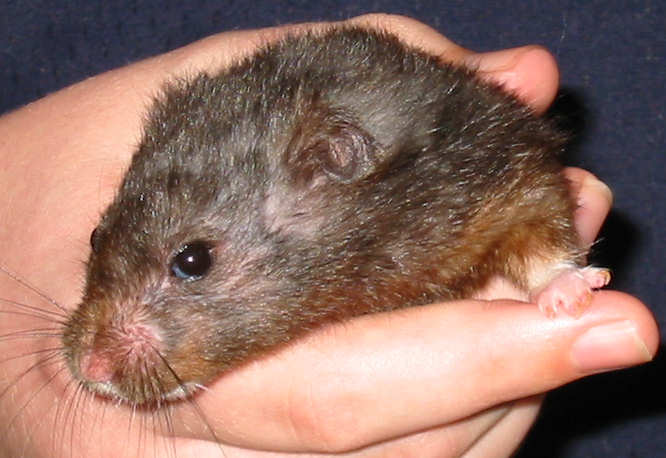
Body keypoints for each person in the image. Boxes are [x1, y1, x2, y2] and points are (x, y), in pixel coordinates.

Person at [0, 14, 658, 458]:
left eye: (192, 262)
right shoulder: (200, 146)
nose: (94, 361)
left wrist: (552, 272)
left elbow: (523, 190)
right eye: (101, 241)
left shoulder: (457, 171)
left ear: (336, 161)